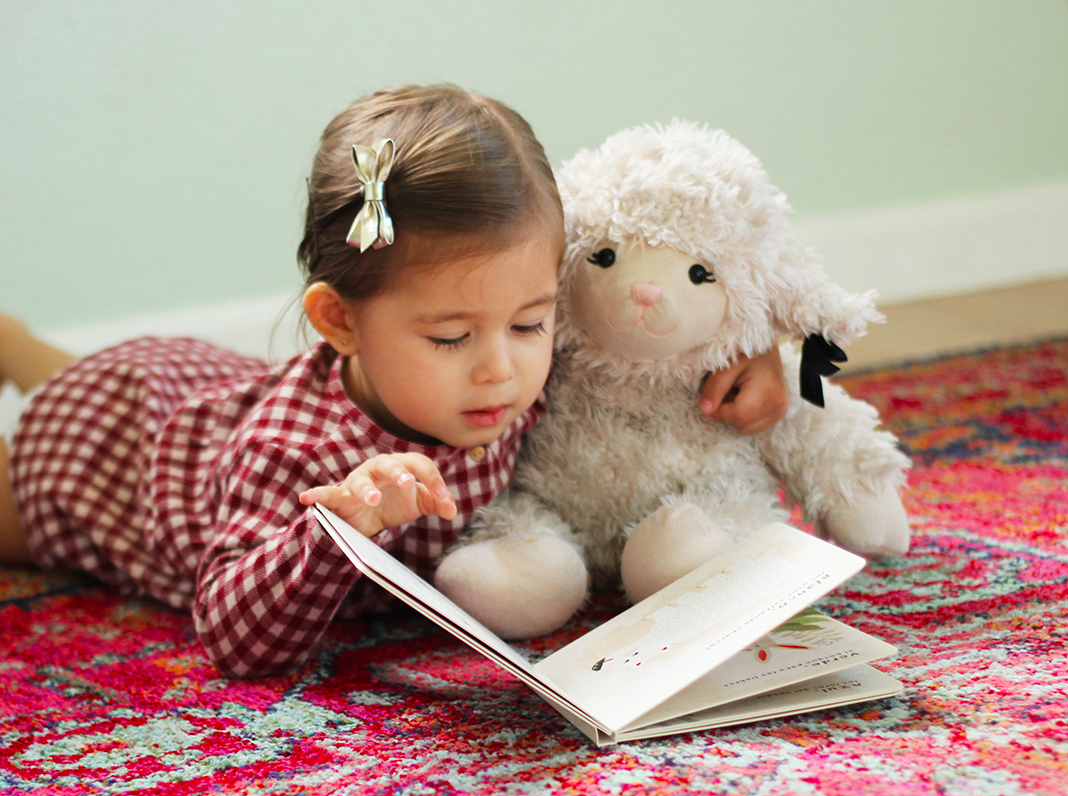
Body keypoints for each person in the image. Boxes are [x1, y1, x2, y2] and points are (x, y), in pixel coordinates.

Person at [0, 84, 789, 679]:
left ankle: (22, 348)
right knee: (41, 483)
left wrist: (741, 355)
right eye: (450, 337)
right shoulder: (292, 452)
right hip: (109, 456)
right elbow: (233, 638)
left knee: (132, 377)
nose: (501, 367)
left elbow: (639, 351)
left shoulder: (520, 360)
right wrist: (336, 530)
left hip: (199, 379)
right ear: (341, 322)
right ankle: (26, 355)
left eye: (528, 323)